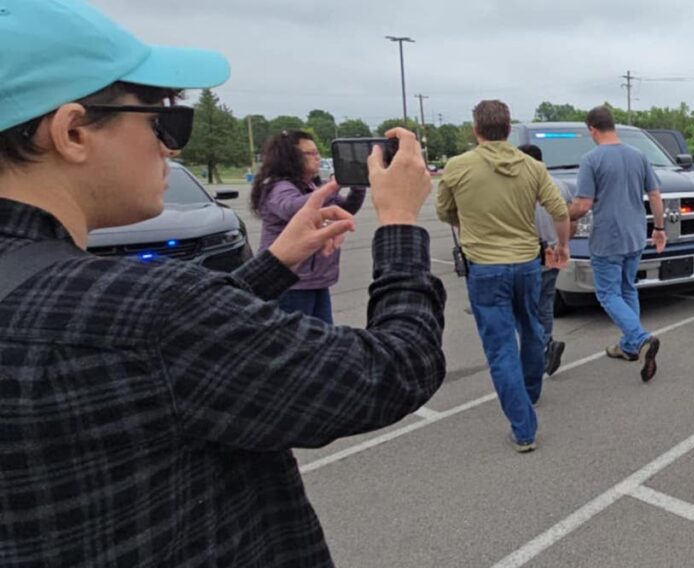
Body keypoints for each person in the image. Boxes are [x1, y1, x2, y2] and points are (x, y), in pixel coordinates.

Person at [0, 2, 445, 565]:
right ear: (71, 132)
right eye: (163, 120)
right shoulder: (149, 310)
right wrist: (402, 223)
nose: (171, 146)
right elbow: (395, 369)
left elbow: (178, 345)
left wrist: (276, 261)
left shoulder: (112, 311)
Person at [437, 100, 569, 453]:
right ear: (509, 129)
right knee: (530, 327)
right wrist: (563, 246)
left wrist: (471, 223)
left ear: (475, 130)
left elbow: (444, 210)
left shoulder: (457, 167)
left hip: (485, 266)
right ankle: (531, 392)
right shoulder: (531, 167)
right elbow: (559, 209)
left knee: (500, 346)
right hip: (527, 262)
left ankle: (523, 428)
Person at [568, 106, 665, 382]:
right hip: (636, 235)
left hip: (609, 238)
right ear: (613, 126)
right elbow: (655, 195)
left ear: (592, 129)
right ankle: (629, 346)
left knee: (608, 293)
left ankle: (640, 337)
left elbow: (583, 204)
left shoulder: (591, 159)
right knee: (626, 287)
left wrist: (563, 215)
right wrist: (658, 228)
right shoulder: (638, 156)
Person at [251, 130, 367, 323]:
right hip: (290, 283)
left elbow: (346, 208)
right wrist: (332, 186)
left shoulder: (312, 186)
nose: (318, 157)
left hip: (315, 280)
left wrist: (357, 183)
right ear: (289, 157)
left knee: (323, 340)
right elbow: (292, 208)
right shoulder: (278, 187)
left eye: (317, 152)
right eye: (310, 153)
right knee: (298, 345)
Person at [518, 143, 574, 376]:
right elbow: (570, 218)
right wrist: (563, 244)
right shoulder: (559, 185)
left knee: (524, 309)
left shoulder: (520, 188)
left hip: (528, 254)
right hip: (553, 252)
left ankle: (540, 348)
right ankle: (546, 344)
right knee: (545, 303)